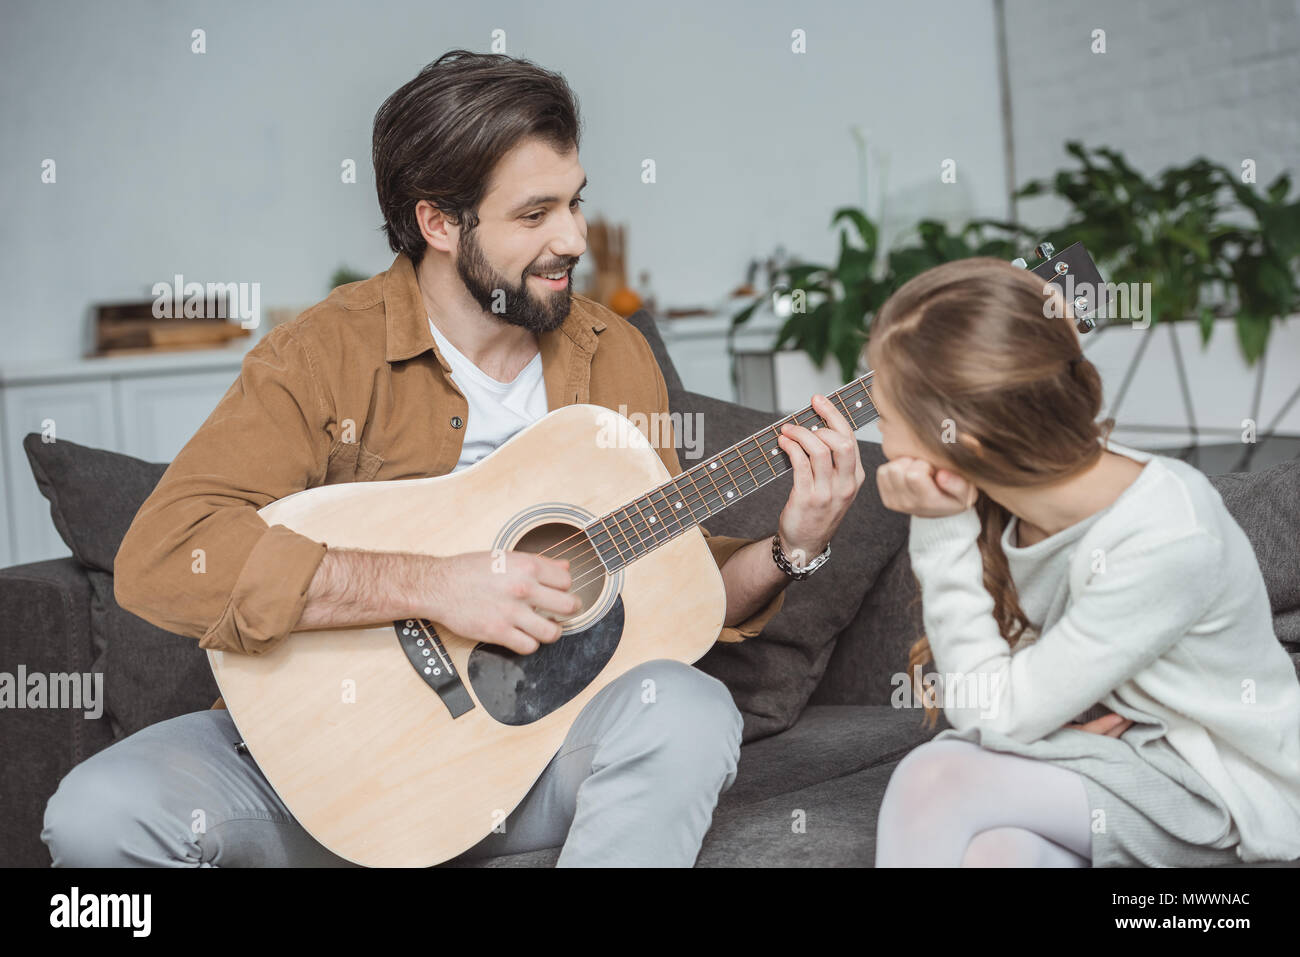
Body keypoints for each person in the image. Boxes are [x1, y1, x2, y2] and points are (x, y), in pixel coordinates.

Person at [40, 50, 865, 868]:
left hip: (537, 762)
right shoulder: (320, 355)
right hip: (329, 766)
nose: (573, 238)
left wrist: (797, 543)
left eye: (576, 203)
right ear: (439, 222)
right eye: (534, 214)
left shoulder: (613, 355)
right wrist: (436, 584)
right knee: (97, 814)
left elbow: (667, 597)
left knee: (688, 708)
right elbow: (165, 555)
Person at [866, 257, 1300, 867]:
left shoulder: (1166, 534)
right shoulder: (1012, 504)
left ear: (966, 439)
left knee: (937, 778)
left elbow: (991, 712)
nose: (878, 447)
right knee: (1000, 852)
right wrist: (1034, 733)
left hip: (1226, 792)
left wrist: (939, 530)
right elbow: (1005, 707)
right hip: (1124, 763)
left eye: (882, 420)